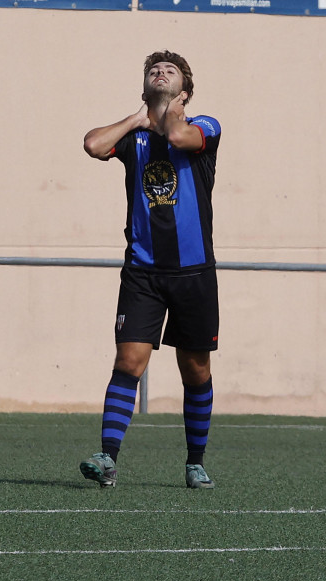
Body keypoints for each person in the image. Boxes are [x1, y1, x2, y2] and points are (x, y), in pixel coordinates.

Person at [79, 50, 220, 490]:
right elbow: (92, 145)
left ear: (186, 91)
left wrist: (169, 114)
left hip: (194, 272)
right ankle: (108, 458)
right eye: (153, 72)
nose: (160, 73)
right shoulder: (134, 137)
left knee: (195, 370)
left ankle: (195, 462)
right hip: (142, 272)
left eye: (170, 71)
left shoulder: (205, 126)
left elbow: (180, 139)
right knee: (129, 360)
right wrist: (137, 118)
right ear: (144, 88)